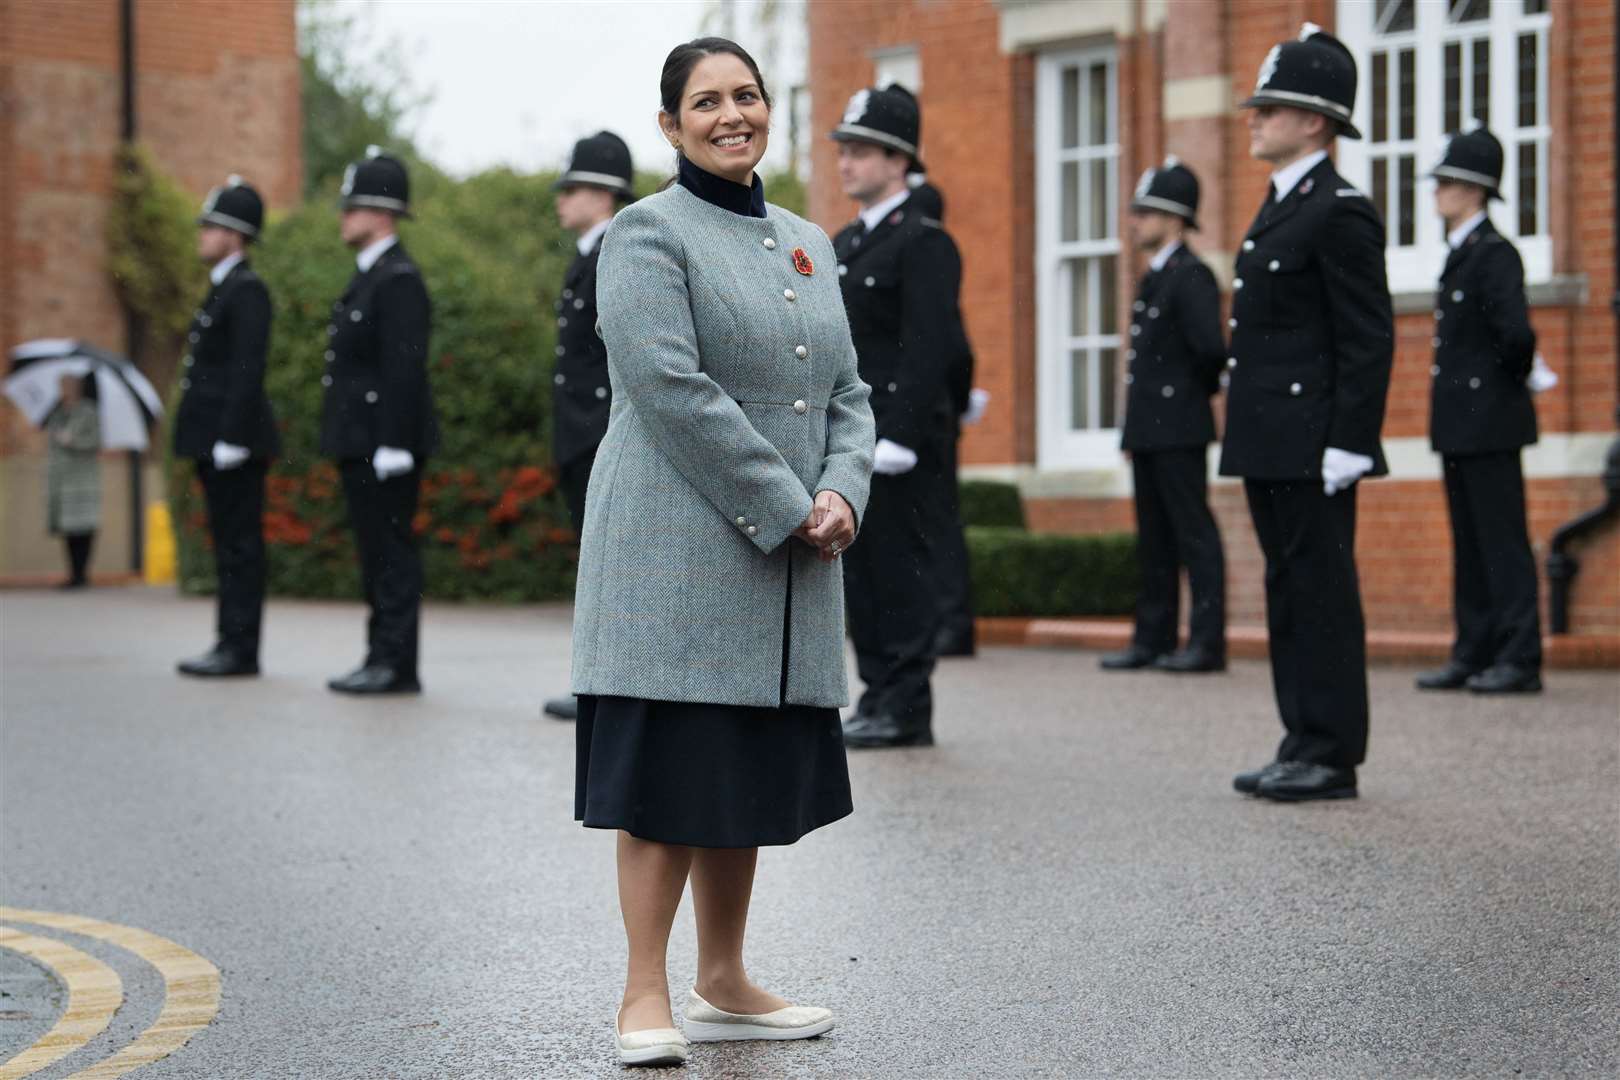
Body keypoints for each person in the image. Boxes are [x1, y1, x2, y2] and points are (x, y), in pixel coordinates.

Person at [570, 37, 874, 1068]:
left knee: (738, 767)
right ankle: (641, 994)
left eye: (747, 95)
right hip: (673, 550)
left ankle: (725, 980)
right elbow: (671, 390)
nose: (731, 114)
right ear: (671, 124)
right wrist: (793, 504)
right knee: (664, 770)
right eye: (707, 101)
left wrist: (843, 489)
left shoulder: (809, 241)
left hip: (782, 547)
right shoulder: (644, 234)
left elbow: (848, 395)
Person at [1224, 24, 1394, 803]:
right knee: (1290, 589)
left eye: (1272, 106)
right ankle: (1301, 738)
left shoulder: (1340, 210)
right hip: (1270, 436)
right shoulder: (1283, 202)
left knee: (1322, 593)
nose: (1255, 117)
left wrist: (1351, 442)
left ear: (1315, 121)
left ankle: (1331, 752)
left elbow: (1367, 336)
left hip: (1315, 440)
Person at [830, 83, 961, 748]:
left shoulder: (924, 242)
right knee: (863, 573)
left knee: (903, 573)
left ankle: (908, 705)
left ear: (898, 159)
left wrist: (902, 434)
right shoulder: (846, 242)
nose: (846, 163)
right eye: (843, 150)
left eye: (860, 151)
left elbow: (930, 344)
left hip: (900, 442)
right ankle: (877, 692)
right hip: (855, 440)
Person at [1416, 124, 1543, 695]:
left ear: (1474, 189)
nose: (1438, 191)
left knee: (1501, 542)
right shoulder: (1463, 253)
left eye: (1447, 181)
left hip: (1490, 422)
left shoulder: (1494, 255)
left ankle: (1518, 657)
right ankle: (1474, 650)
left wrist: (1495, 394)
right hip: (1461, 424)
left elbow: (1516, 339)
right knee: (1468, 542)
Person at [319, 147, 439, 695]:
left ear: (384, 214)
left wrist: (394, 440)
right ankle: (379, 654)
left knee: (390, 553)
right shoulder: (369, 276)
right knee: (374, 554)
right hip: (361, 439)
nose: (345, 215)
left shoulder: (398, 279)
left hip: (383, 442)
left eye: (355, 206)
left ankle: (395, 662)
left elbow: (403, 366)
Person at [1100, 158, 1227, 674]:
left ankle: (1205, 640)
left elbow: (1211, 350)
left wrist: (1178, 403)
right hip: (1153, 428)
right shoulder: (1157, 277)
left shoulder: (1191, 275)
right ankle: (1152, 637)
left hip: (1180, 427)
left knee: (1192, 532)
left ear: (1175, 218)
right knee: (1154, 537)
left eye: (1147, 211)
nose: (1136, 221)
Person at [542, 131, 635, 722]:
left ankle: (611, 689)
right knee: (596, 567)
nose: (561, 200)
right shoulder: (588, 255)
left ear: (602, 195)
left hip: (600, 432)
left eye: (571, 188)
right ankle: (599, 685)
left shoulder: (613, 253)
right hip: (581, 433)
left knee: (613, 569)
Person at [174, 176, 280, 678]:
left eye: (213, 226)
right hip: (216, 439)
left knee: (239, 545)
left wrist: (233, 437)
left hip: (233, 442)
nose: (203, 233)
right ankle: (228, 640)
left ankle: (240, 647)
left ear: (235, 237)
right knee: (228, 543)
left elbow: (246, 368)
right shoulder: (225, 288)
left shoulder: (247, 290)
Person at [906, 178, 978, 659]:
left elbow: (949, 346)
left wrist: (956, 401)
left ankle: (952, 621)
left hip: (928, 417)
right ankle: (943, 619)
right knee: (932, 524)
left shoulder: (927, 252)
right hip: (935, 412)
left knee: (936, 522)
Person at [45, 374, 100, 588]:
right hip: (62, 478)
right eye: (62, 385)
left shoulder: (88, 412)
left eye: (68, 385)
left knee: (83, 527)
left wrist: (73, 441)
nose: (65, 389)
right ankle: (73, 573)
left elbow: (96, 440)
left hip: (82, 479)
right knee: (68, 528)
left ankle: (82, 573)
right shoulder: (57, 413)